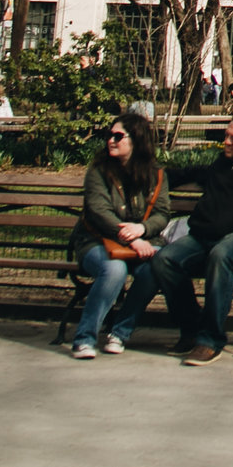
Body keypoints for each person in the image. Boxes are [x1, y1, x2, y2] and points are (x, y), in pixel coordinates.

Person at [117, 113, 233, 365]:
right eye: (226, 136)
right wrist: (153, 177)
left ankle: (209, 340)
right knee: (164, 260)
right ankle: (191, 328)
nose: (227, 143)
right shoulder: (224, 163)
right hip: (206, 236)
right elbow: (195, 173)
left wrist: (230, 222)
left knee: (221, 255)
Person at [69, 111, 167, 358]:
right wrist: (133, 238)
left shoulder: (155, 174)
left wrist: (143, 229)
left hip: (142, 243)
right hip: (96, 242)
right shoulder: (98, 171)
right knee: (114, 270)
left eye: (117, 136)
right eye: (109, 135)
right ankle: (84, 338)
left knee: (155, 269)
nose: (111, 140)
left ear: (136, 141)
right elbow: (98, 211)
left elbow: (162, 212)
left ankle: (119, 333)